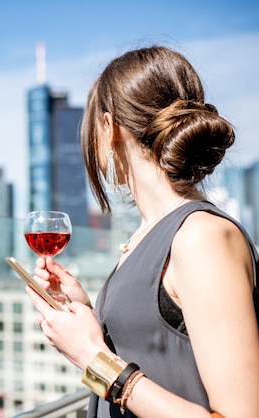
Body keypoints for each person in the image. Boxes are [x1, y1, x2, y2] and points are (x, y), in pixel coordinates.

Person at [26, 45, 259, 418]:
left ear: (109, 127)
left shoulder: (200, 236)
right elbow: (156, 349)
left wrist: (93, 356)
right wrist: (87, 313)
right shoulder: (145, 238)